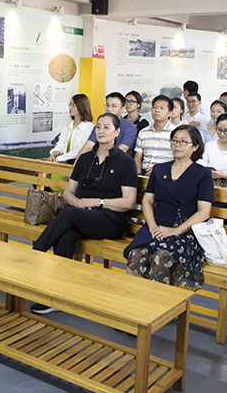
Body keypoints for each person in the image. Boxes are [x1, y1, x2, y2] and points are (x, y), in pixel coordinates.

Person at [31, 113, 138, 314]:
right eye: (98, 127)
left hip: (110, 219)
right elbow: (68, 193)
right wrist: (79, 203)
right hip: (81, 216)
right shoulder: (85, 159)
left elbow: (129, 201)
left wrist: (97, 202)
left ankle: (34, 254)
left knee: (70, 214)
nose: (101, 131)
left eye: (106, 127)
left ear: (117, 132)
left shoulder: (125, 162)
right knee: (66, 235)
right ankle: (58, 296)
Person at [124, 125, 213, 291]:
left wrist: (176, 230)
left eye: (183, 142)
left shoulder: (202, 174)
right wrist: (152, 226)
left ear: (195, 147)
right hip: (156, 224)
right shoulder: (159, 169)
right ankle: (136, 300)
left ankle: (159, 303)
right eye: (175, 141)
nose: (177, 145)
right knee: (135, 255)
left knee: (161, 257)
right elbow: (147, 201)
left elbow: (204, 211)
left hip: (184, 230)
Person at [76, 92, 137, 158]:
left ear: (122, 109)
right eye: (107, 105)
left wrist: (103, 162)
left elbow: (121, 150)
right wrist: (77, 163)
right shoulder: (99, 126)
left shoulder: (129, 127)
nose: (109, 109)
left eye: (114, 106)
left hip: (119, 162)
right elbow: (87, 147)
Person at [134, 95, 176, 175]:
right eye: (155, 107)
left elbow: (180, 159)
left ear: (170, 113)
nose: (157, 110)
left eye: (162, 108)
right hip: (144, 173)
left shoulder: (175, 133)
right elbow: (138, 156)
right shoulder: (143, 132)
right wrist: (137, 171)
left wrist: (158, 170)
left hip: (166, 174)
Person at [47, 94, 94, 164]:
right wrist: (53, 155)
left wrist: (60, 158)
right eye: (70, 104)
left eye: (73, 105)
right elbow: (60, 145)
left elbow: (79, 150)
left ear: (82, 106)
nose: (70, 107)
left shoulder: (90, 128)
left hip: (79, 163)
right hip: (64, 162)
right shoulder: (66, 127)